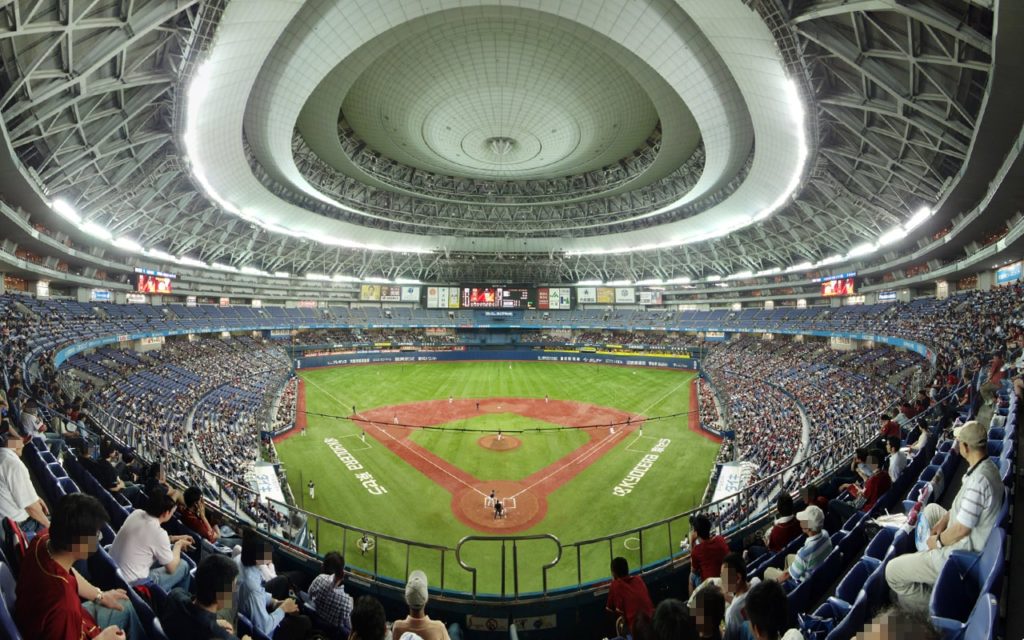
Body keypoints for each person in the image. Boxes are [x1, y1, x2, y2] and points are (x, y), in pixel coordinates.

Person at [885, 421, 1004, 611]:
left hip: (962, 551)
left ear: (965, 447)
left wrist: (938, 542)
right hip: (967, 533)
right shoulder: (986, 466)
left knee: (891, 571)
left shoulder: (979, 481)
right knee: (932, 509)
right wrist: (944, 520)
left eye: (959, 441)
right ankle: (925, 559)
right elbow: (966, 509)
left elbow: (961, 530)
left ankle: (938, 607)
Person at [15, 492, 143, 640]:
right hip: (63, 625)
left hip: (41, 617)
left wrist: (100, 596)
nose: (97, 540)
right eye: (96, 535)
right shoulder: (64, 605)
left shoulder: (42, 539)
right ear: (78, 545)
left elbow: (70, 573)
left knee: (124, 605)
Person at [110, 490, 194, 591]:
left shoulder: (137, 513)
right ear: (166, 513)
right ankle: (178, 598)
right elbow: (171, 568)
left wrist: (176, 538)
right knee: (184, 566)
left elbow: (151, 540)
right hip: (133, 585)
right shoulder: (159, 533)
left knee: (170, 550)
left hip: (113, 572)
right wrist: (179, 544)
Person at [237, 533, 312, 640]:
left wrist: (275, 602)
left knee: (282, 581)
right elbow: (264, 628)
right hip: (263, 633)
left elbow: (259, 593)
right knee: (305, 622)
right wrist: (283, 608)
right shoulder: (252, 589)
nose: (270, 553)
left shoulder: (238, 559)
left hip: (245, 608)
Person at [160, 554, 251, 640]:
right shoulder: (221, 636)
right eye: (233, 588)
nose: (234, 591)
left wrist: (214, 623)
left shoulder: (175, 595)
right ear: (220, 597)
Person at [764, 506, 831, 586]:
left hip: (804, 584)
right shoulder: (825, 534)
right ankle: (790, 570)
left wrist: (775, 582)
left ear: (808, 528)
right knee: (788, 557)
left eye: (804, 521)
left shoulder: (803, 553)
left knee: (768, 571)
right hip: (819, 568)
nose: (801, 522)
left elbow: (786, 575)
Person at [0, 429, 50, 535]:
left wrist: (35, 497)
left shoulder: (3, 457)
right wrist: (50, 527)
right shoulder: (14, 464)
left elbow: (10, 486)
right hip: (18, 527)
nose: (23, 446)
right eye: (22, 443)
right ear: (16, 445)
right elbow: (30, 507)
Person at [391, 570, 459, 640]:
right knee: (455, 627)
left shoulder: (397, 627)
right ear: (426, 599)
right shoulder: (439, 628)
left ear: (406, 599)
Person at [830, 452, 891, 524]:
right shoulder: (885, 474)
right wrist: (862, 490)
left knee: (832, 502)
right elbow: (870, 493)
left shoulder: (873, 480)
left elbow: (858, 505)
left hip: (865, 512)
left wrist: (849, 502)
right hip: (875, 506)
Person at [605, 557, 654, 637]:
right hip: (653, 623)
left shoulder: (615, 585)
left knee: (618, 623)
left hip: (637, 631)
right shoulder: (638, 579)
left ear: (614, 573)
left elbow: (609, 611)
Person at [307, 551, 353, 635]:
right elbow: (349, 627)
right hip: (331, 633)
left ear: (323, 567)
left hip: (314, 622)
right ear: (342, 574)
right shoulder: (347, 602)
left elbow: (309, 595)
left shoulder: (319, 579)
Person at [746, 493, 801, 563]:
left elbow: (770, 548)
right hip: (792, 551)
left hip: (779, 559)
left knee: (752, 549)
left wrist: (766, 541)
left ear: (779, 509)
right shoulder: (799, 521)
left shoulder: (776, 530)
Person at [687, 514, 729, 594]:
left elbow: (693, 570)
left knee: (691, 576)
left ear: (696, 532)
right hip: (727, 583)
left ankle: (692, 601)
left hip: (712, 590)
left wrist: (691, 542)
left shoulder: (697, 550)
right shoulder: (720, 539)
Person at [721, 553, 758, 640]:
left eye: (724, 576)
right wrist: (724, 595)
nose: (722, 579)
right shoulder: (757, 583)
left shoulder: (731, 613)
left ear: (737, 578)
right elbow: (741, 601)